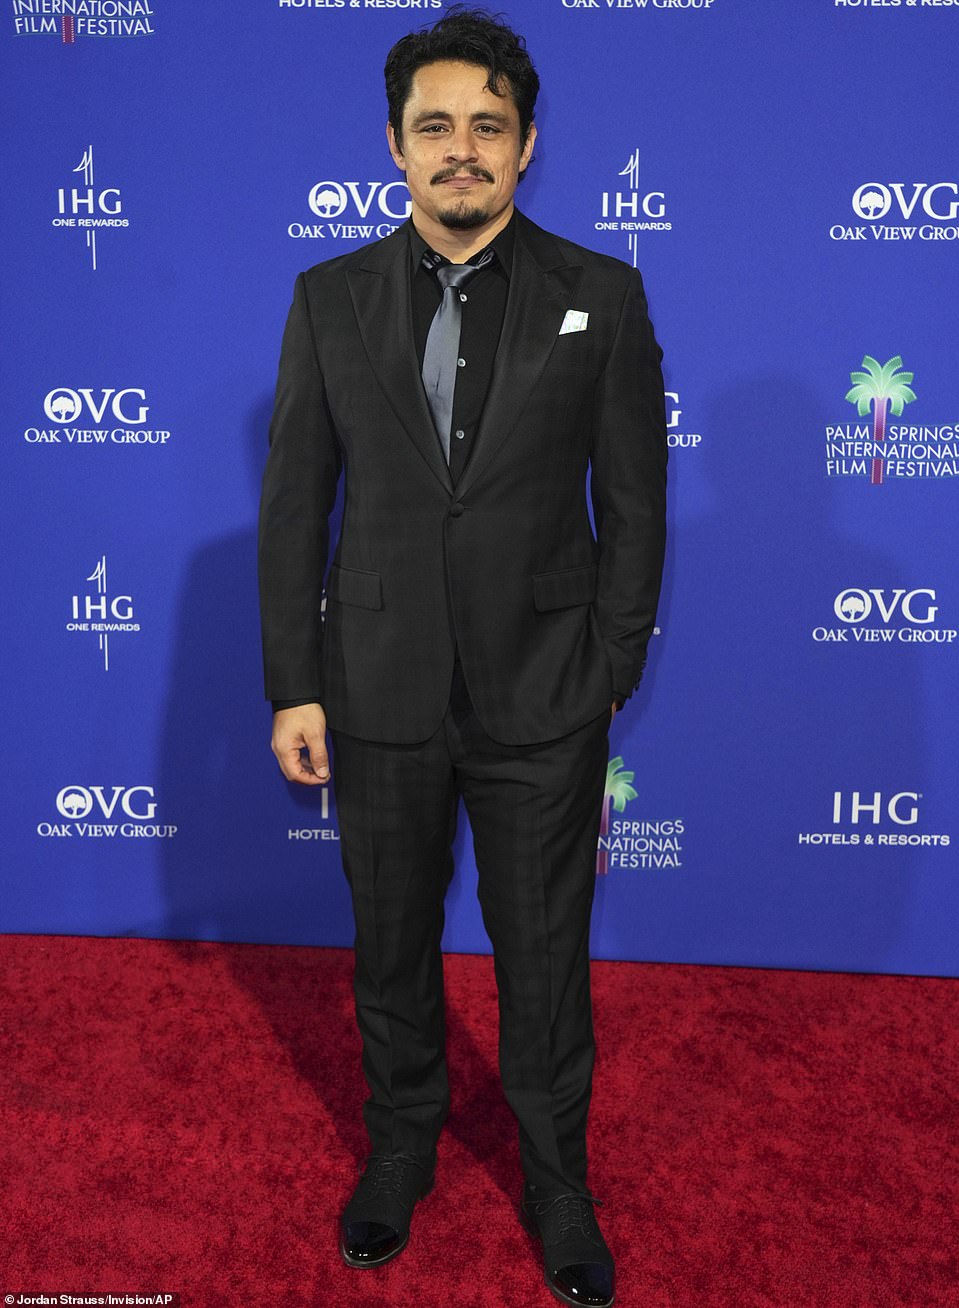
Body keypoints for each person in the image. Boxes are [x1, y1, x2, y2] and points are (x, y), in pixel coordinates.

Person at [257, 7, 667, 1305]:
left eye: (487, 127)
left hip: (543, 694)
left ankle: (558, 1184)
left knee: (543, 953)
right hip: (373, 687)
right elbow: (294, 502)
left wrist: (605, 665)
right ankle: (399, 1155)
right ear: (393, 146)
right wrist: (294, 683)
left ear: (527, 146)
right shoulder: (326, 299)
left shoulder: (600, 294)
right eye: (434, 127)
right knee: (388, 945)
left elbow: (635, 503)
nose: (461, 150)